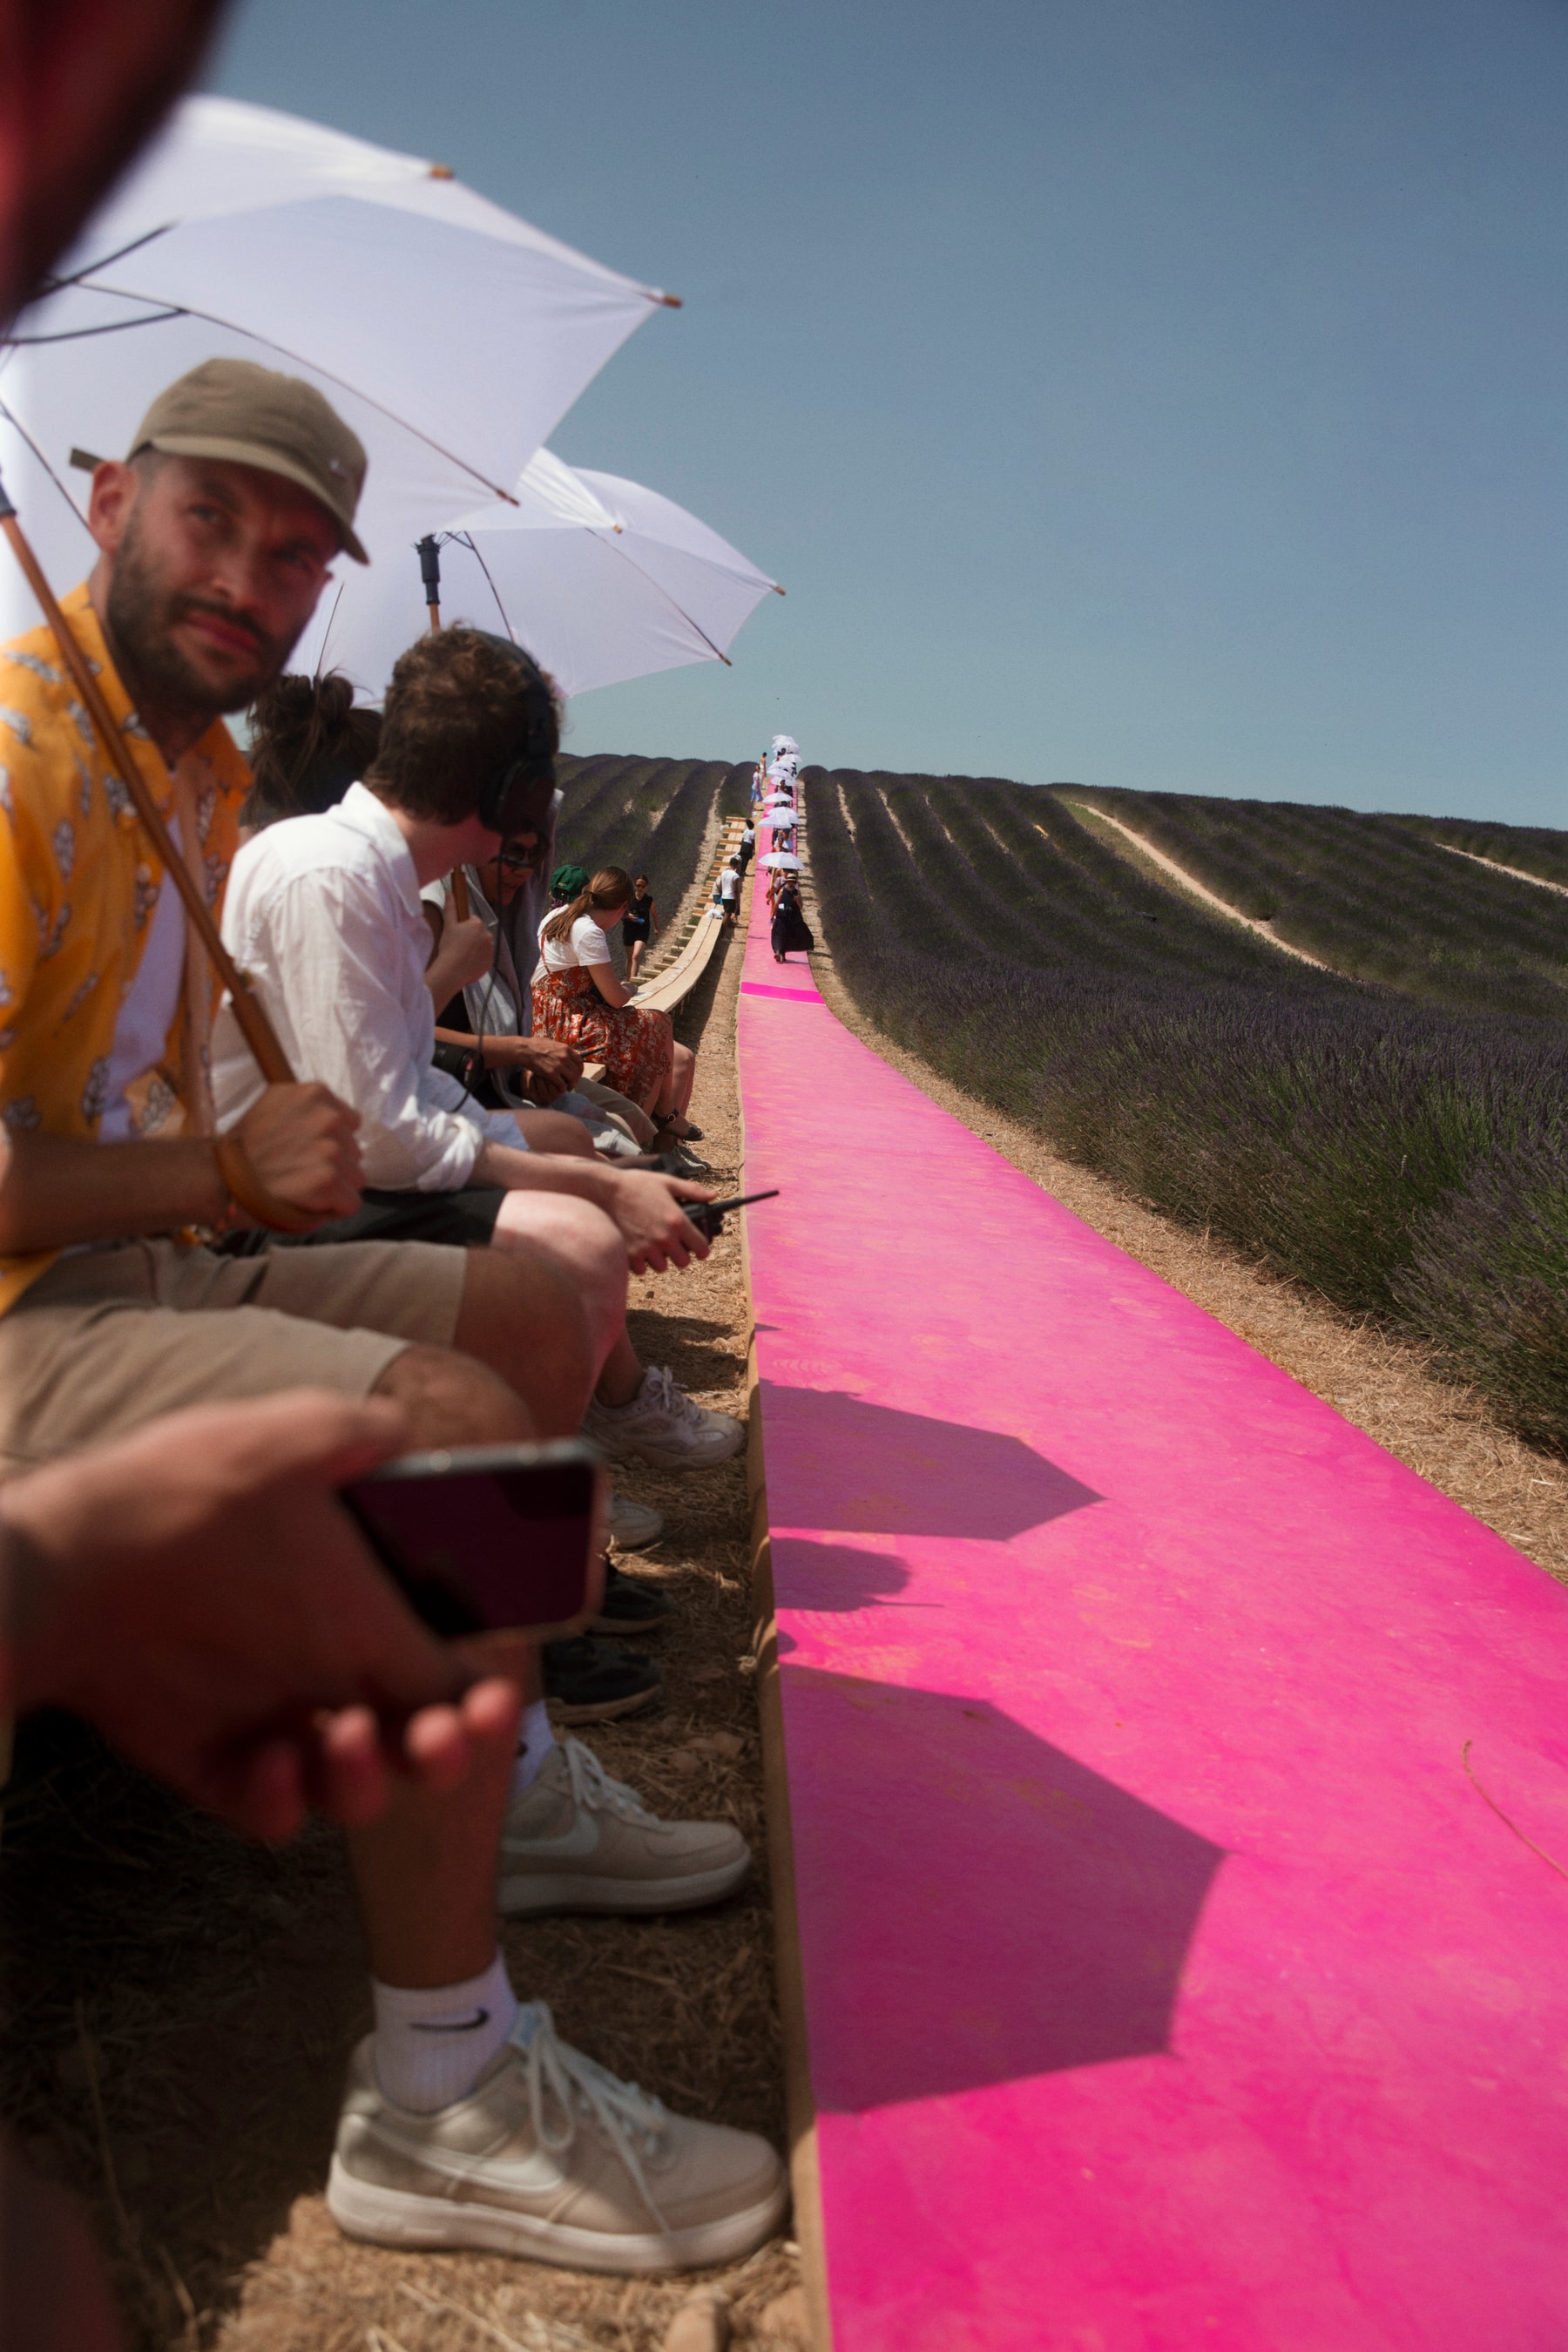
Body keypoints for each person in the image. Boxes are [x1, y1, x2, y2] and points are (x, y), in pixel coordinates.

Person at [0, 359, 785, 2279]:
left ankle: (496, 1781)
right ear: (105, 505)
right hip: (44, 1299)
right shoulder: (23, 770)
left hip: (138, 1267)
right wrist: (219, 1176)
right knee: (448, 1410)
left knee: (529, 1312)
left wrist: (242, 1148)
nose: (252, 579)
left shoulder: (178, 781)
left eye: (296, 553)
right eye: (212, 521)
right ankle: (445, 2093)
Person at [213, 631, 747, 1498]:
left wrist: (576, 1167)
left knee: (570, 1167)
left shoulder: (375, 875)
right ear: (510, 790)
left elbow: (401, 1080)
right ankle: (521, 1538)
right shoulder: (333, 877)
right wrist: (606, 1192)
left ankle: (542, 1492)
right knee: (576, 1237)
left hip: (331, 1170)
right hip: (270, 1206)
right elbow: (380, 1133)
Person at [535, 868, 706, 1155]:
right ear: (623, 906)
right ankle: (663, 1122)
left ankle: (668, 1143)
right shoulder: (588, 931)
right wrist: (629, 988)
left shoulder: (559, 916)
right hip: (569, 1023)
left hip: (550, 1017)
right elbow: (616, 999)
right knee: (658, 1023)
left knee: (675, 1050)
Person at [621, 872, 659, 983]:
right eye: (638, 886)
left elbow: (654, 913)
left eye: (643, 886)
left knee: (635, 956)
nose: (640, 888)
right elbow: (620, 912)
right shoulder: (629, 898)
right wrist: (628, 915)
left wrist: (656, 927)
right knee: (629, 958)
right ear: (635, 885)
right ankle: (628, 981)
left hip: (642, 930)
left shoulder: (649, 900)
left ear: (646, 887)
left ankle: (633, 982)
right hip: (629, 929)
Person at [772, 871, 814, 964]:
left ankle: (782, 955)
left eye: (792, 882)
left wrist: (798, 901)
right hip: (782, 917)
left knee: (788, 936)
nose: (791, 883)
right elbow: (777, 903)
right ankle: (778, 952)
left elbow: (801, 906)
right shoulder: (782, 891)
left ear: (795, 883)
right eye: (789, 881)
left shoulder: (797, 893)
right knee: (778, 935)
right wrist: (772, 914)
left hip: (792, 918)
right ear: (787, 882)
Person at [719, 855, 741, 929]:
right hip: (730, 897)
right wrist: (737, 901)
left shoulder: (723, 873)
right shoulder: (735, 875)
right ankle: (722, 934)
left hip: (724, 896)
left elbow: (721, 885)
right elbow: (735, 890)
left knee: (727, 914)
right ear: (737, 865)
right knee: (727, 915)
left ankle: (723, 933)